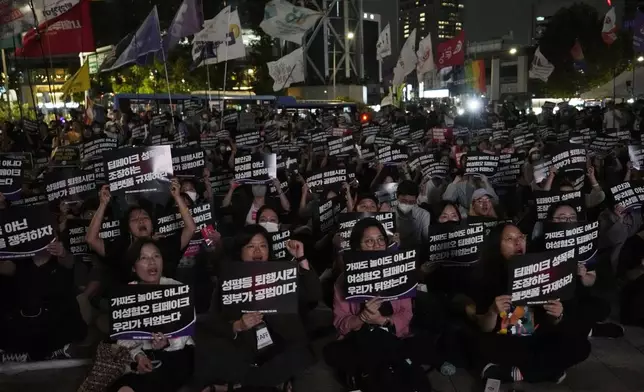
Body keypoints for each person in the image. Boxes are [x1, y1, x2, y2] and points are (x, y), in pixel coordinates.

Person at [192, 225, 321, 391]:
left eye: (263, 246)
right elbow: (213, 320)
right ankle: (268, 382)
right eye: (251, 246)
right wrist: (237, 325)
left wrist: (301, 258)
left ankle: (238, 385)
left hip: (282, 346)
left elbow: (314, 294)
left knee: (297, 356)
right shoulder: (230, 280)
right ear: (241, 251)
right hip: (245, 349)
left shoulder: (283, 274)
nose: (258, 251)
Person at [323, 218, 433, 392]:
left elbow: (407, 312)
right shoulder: (343, 281)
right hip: (359, 339)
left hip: (394, 335)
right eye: (369, 241)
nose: (376, 245)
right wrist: (363, 317)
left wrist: (382, 320)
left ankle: (368, 378)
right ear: (357, 247)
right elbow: (341, 324)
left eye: (381, 239)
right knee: (338, 351)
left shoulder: (399, 272)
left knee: (407, 347)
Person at [471, 224, 590, 384]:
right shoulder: (487, 276)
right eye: (510, 239)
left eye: (521, 237)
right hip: (507, 342)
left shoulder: (542, 266)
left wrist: (557, 315)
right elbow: (484, 327)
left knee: (581, 346)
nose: (518, 242)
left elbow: (550, 323)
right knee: (481, 345)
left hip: (538, 338)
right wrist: (492, 311)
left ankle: (519, 374)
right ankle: (547, 369)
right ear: (497, 244)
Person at [110, 239, 195, 392]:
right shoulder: (126, 294)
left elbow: (185, 332)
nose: (151, 262)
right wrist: (139, 356)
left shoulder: (177, 288)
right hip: (143, 356)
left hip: (176, 355)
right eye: (143, 258)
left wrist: (167, 343)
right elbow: (124, 337)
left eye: (156, 256)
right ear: (133, 267)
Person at [86, 180, 197, 283]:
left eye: (145, 217)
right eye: (134, 219)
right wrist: (103, 204)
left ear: (152, 226)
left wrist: (177, 197)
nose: (140, 221)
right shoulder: (120, 249)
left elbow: (191, 228)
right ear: (128, 229)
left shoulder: (165, 244)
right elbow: (91, 239)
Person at [0, 241, 86, 362]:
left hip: (58, 317)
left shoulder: (60, 259)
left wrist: (62, 253)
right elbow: (6, 268)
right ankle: (26, 353)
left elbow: (68, 261)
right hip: (28, 318)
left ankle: (50, 351)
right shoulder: (20, 262)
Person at [395, 180, 430, 249]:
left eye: (411, 202)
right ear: (397, 196)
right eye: (404, 201)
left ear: (416, 200)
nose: (407, 204)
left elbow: (427, 239)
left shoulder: (423, 214)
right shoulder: (389, 213)